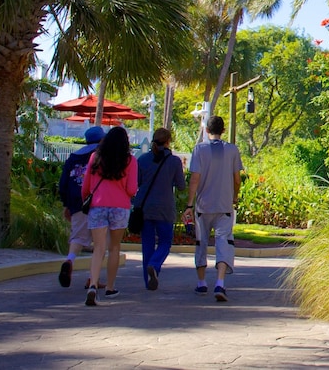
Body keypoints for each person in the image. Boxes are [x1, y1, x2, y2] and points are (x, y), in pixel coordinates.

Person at [183, 116, 243, 302]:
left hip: (203, 206)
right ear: (223, 130)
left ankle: (201, 283)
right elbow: (237, 179)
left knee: (201, 242)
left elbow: (194, 179)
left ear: (207, 131)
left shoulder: (199, 149)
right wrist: (234, 196)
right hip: (224, 205)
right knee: (223, 242)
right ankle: (220, 282)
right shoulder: (232, 150)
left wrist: (189, 204)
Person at [81, 126, 138, 306]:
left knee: (99, 248)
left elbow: (86, 186)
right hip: (120, 207)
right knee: (114, 248)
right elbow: (131, 189)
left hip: (97, 205)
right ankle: (110, 287)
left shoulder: (95, 158)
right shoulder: (130, 161)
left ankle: (93, 284)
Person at [134, 127, 186, 291]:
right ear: (168, 141)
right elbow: (181, 185)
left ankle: (147, 280)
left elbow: (136, 183)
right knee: (165, 242)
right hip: (165, 207)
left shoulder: (142, 160)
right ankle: (154, 265)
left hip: (145, 207)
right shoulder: (174, 161)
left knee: (147, 244)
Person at [57, 126, 105, 289]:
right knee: (100, 243)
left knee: (77, 236)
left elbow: (63, 183)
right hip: (99, 201)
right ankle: (93, 278)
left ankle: (69, 260)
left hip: (77, 202)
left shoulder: (73, 157)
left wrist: (67, 204)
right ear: (101, 139)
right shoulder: (102, 156)